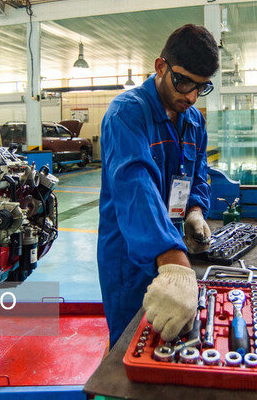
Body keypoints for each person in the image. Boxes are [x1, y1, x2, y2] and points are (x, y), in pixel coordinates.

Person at [98, 24, 219, 349]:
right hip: (130, 258)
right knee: (128, 348)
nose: (190, 96)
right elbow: (135, 186)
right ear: (160, 67)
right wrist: (173, 261)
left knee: (173, 346)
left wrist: (194, 210)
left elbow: (198, 172)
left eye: (201, 88)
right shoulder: (126, 114)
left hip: (172, 244)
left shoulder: (193, 120)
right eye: (183, 81)